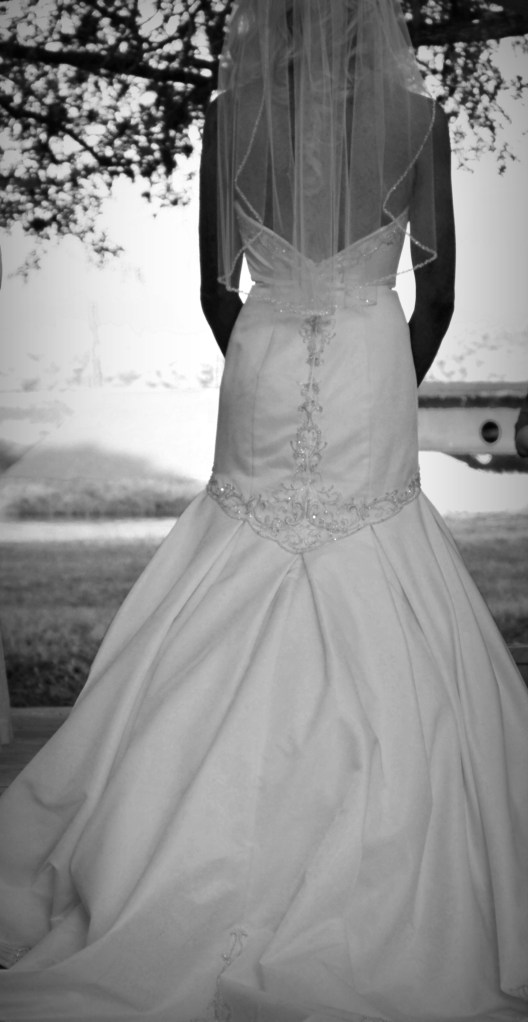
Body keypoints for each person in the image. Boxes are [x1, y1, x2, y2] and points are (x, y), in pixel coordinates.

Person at [0, 2, 527, 1020]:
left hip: (265, 352)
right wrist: (389, 375)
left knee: (238, 550)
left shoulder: (230, 112)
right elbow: (440, 293)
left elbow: (215, 287)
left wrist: (269, 352)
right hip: (374, 352)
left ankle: (175, 840)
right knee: (376, 544)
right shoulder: (419, 119)